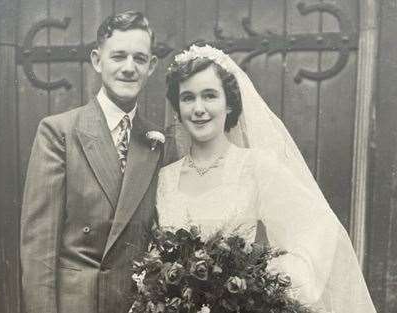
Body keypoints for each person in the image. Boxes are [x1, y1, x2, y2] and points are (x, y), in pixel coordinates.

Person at [156, 44, 377, 313]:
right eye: (188, 98)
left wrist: (261, 284)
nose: (198, 108)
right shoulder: (165, 178)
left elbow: (318, 229)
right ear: (178, 108)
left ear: (229, 105)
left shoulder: (256, 167)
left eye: (210, 96)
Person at [20, 11, 167, 313]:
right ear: (98, 60)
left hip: (136, 305)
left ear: (151, 66)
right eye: (118, 56)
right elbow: (39, 251)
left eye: (139, 58)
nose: (129, 68)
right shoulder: (60, 132)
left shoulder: (156, 142)